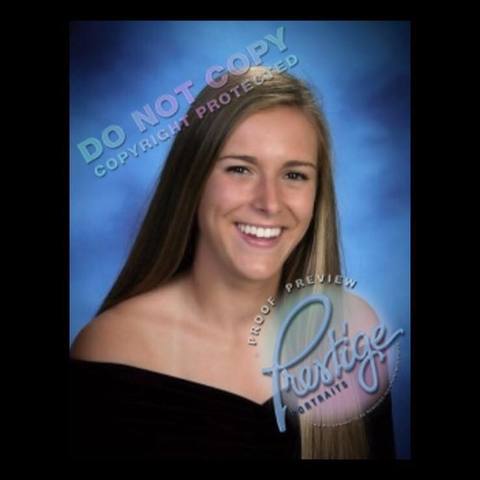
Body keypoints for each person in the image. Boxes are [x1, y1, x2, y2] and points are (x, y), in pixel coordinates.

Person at [69, 66, 396, 459]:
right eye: (240, 169)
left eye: (294, 175)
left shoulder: (350, 344)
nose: (269, 203)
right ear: (192, 180)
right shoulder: (109, 348)